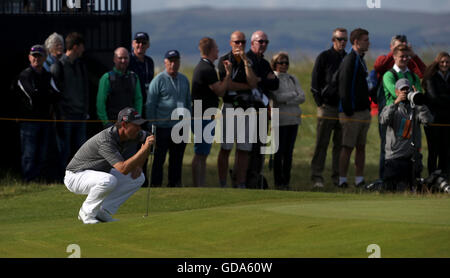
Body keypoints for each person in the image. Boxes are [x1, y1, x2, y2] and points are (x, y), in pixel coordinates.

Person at [64, 107, 155, 224]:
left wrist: (139, 165)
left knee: (138, 177)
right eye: (135, 125)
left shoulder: (133, 133)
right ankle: (86, 212)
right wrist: (144, 150)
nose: (139, 128)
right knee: (108, 180)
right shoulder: (106, 140)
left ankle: (103, 211)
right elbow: (123, 169)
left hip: (98, 172)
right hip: (76, 176)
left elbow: (149, 138)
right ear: (124, 124)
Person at [373, 35, 427, 182]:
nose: (405, 59)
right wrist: (411, 93)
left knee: (414, 147)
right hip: (393, 116)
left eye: (407, 57)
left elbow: (420, 93)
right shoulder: (388, 75)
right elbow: (395, 92)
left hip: (411, 116)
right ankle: (386, 179)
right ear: (395, 57)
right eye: (402, 56)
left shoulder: (412, 75)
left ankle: (412, 179)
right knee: (389, 149)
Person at [217, 30, 259, 188]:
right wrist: (246, 86)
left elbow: (253, 83)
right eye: (237, 42)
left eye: (243, 42)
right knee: (226, 148)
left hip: (247, 108)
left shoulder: (249, 60)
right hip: (229, 107)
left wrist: (246, 62)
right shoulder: (224, 60)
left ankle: (240, 182)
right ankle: (223, 183)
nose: (240, 45)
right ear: (231, 43)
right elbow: (226, 85)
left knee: (244, 149)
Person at [146, 50, 191, 187]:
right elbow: (150, 105)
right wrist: (152, 127)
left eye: (176, 61)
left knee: (177, 160)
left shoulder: (184, 79)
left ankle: (175, 185)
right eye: (170, 61)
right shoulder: (158, 80)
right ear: (165, 62)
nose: (173, 64)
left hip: (179, 127)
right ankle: (156, 186)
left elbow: (188, 101)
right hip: (162, 127)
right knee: (159, 160)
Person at [16, 45, 60, 182]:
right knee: (29, 154)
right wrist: (45, 95)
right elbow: (31, 96)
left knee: (42, 154)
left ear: (44, 58)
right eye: (34, 56)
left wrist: (41, 94)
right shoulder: (25, 75)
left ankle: (38, 181)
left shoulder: (48, 76)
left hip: (45, 121)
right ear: (29, 57)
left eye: (39, 56)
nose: (36, 58)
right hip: (29, 122)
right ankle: (28, 181)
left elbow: (57, 94)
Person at [191, 37, 231, 187]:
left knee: (203, 153)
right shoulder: (206, 69)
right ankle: (198, 185)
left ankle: (200, 184)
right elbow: (220, 91)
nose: (218, 51)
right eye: (216, 48)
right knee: (200, 154)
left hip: (204, 114)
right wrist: (228, 75)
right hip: (202, 115)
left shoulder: (204, 67)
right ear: (210, 50)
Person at [310, 27, 347, 188]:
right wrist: (320, 103)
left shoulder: (348, 58)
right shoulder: (324, 56)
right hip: (327, 106)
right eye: (340, 39)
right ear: (333, 40)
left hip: (343, 108)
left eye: (345, 39)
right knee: (322, 144)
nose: (343, 42)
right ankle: (317, 176)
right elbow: (315, 81)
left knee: (340, 145)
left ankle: (337, 177)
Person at [379, 78, 433, 191]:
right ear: (396, 92)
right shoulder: (391, 107)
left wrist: (420, 103)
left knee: (411, 189)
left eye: (407, 89)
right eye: (402, 89)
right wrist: (395, 103)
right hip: (394, 157)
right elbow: (383, 121)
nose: (405, 92)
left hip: (412, 157)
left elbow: (428, 121)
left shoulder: (416, 108)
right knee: (391, 190)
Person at [50, 32, 89, 179]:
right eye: (82, 47)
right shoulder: (58, 66)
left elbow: (86, 91)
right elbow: (56, 94)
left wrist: (85, 111)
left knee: (81, 151)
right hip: (65, 117)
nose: (83, 50)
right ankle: (62, 179)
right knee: (64, 151)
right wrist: (62, 113)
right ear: (76, 47)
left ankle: (79, 180)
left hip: (80, 115)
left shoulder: (81, 66)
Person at [245, 30, 279, 189]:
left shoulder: (264, 63)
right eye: (261, 42)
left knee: (260, 146)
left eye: (266, 42)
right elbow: (250, 82)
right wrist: (264, 79)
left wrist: (260, 79)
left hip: (263, 111)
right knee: (248, 147)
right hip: (249, 110)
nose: (264, 45)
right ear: (252, 43)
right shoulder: (247, 60)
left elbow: (275, 83)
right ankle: (245, 178)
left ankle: (256, 177)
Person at [338, 28, 371, 188]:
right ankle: (342, 179)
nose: (368, 43)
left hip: (364, 111)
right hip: (352, 113)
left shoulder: (361, 59)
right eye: (365, 40)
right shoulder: (350, 59)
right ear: (356, 42)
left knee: (361, 146)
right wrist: (348, 109)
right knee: (347, 147)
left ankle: (359, 179)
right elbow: (344, 86)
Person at [270, 52, 305, 190]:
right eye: (281, 63)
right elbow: (278, 98)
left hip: (294, 119)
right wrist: (293, 95)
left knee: (289, 153)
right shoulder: (273, 78)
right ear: (275, 64)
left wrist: (289, 98)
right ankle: (278, 181)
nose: (284, 65)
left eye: (286, 63)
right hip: (280, 120)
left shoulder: (293, 78)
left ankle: (286, 181)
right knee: (279, 152)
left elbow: (302, 97)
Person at [96, 47, 143, 127]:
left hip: (130, 125)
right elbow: (100, 103)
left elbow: (138, 100)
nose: (123, 61)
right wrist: (106, 122)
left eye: (126, 58)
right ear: (114, 59)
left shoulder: (134, 77)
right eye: (120, 58)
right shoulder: (107, 78)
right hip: (112, 124)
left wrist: (136, 120)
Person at [422, 52, 450, 177]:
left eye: (447, 62)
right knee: (434, 150)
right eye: (442, 62)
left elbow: (439, 97)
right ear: (437, 63)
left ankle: (445, 176)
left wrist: (443, 97)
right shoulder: (430, 77)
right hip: (433, 118)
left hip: (447, 118)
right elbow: (433, 97)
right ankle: (432, 177)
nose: (445, 64)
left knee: (446, 150)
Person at [129, 32, 155, 117]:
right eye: (138, 42)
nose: (140, 45)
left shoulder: (149, 61)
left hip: (147, 104)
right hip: (133, 105)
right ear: (133, 44)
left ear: (148, 45)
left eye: (144, 43)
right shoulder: (128, 60)